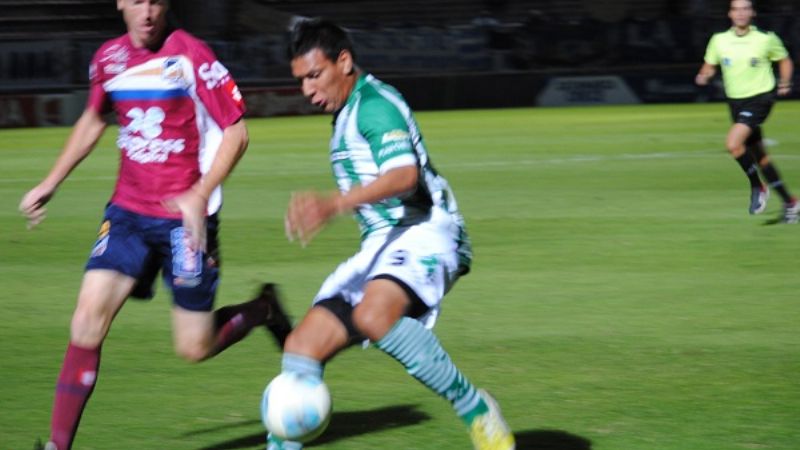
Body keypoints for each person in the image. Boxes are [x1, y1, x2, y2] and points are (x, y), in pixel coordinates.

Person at [20, 1, 291, 449]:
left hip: (184, 222)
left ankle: (263, 309)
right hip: (127, 214)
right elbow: (93, 118)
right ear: (120, 3)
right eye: (137, 1)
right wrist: (51, 181)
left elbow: (237, 132)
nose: (147, 12)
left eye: (156, 1)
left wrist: (200, 194)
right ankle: (57, 445)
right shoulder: (108, 58)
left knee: (194, 347)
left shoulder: (191, 54)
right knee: (86, 321)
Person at [269, 19, 515, 450]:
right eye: (300, 81)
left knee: (373, 316)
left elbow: (403, 175)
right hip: (384, 243)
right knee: (301, 347)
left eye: (314, 75)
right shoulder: (347, 111)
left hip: (428, 230)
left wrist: (332, 204)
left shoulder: (374, 104)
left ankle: (476, 409)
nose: (307, 90)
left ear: (343, 61)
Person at [695, 0, 798, 223]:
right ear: (730, 14)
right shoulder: (719, 40)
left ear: (752, 13)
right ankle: (791, 203)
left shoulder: (766, 39)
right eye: (736, 9)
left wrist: (785, 81)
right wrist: (704, 74)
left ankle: (757, 187)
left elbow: (785, 60)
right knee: (761, 158)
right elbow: (710, 64)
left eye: (745, 9)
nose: (740, 13)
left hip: (761, 98)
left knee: (733, 144)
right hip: (735, 102)